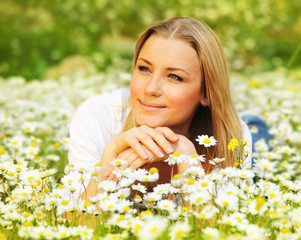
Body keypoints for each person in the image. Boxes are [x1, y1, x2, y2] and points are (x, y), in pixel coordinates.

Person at [66, 17, 252, 201]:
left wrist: (186, 157)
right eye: (144, 69)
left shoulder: (234, 138)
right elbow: (78, 222)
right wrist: (110, 155)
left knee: (257, 131)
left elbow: (214, 228)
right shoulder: (97, 116)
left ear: (206, 92)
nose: (150, 89)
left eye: (174, 77)